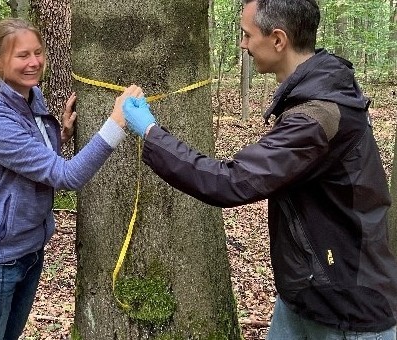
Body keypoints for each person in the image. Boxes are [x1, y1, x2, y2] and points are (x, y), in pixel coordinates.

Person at [122, 0, 397, 339]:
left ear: (278, 40)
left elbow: (231, 181)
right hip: (306, 293)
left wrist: (151, 133)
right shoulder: (320, 91)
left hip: (346, 308)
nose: (242, 44)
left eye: (246, 35)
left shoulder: (317, 116)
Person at [0, 18, 142, 340]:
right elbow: (66, 176)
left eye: (38, 52)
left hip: (29, 251)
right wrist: (116, 122)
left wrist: (62, 135)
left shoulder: (31, 96)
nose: (34, 62)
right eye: (22, 55)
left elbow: (31, 158)